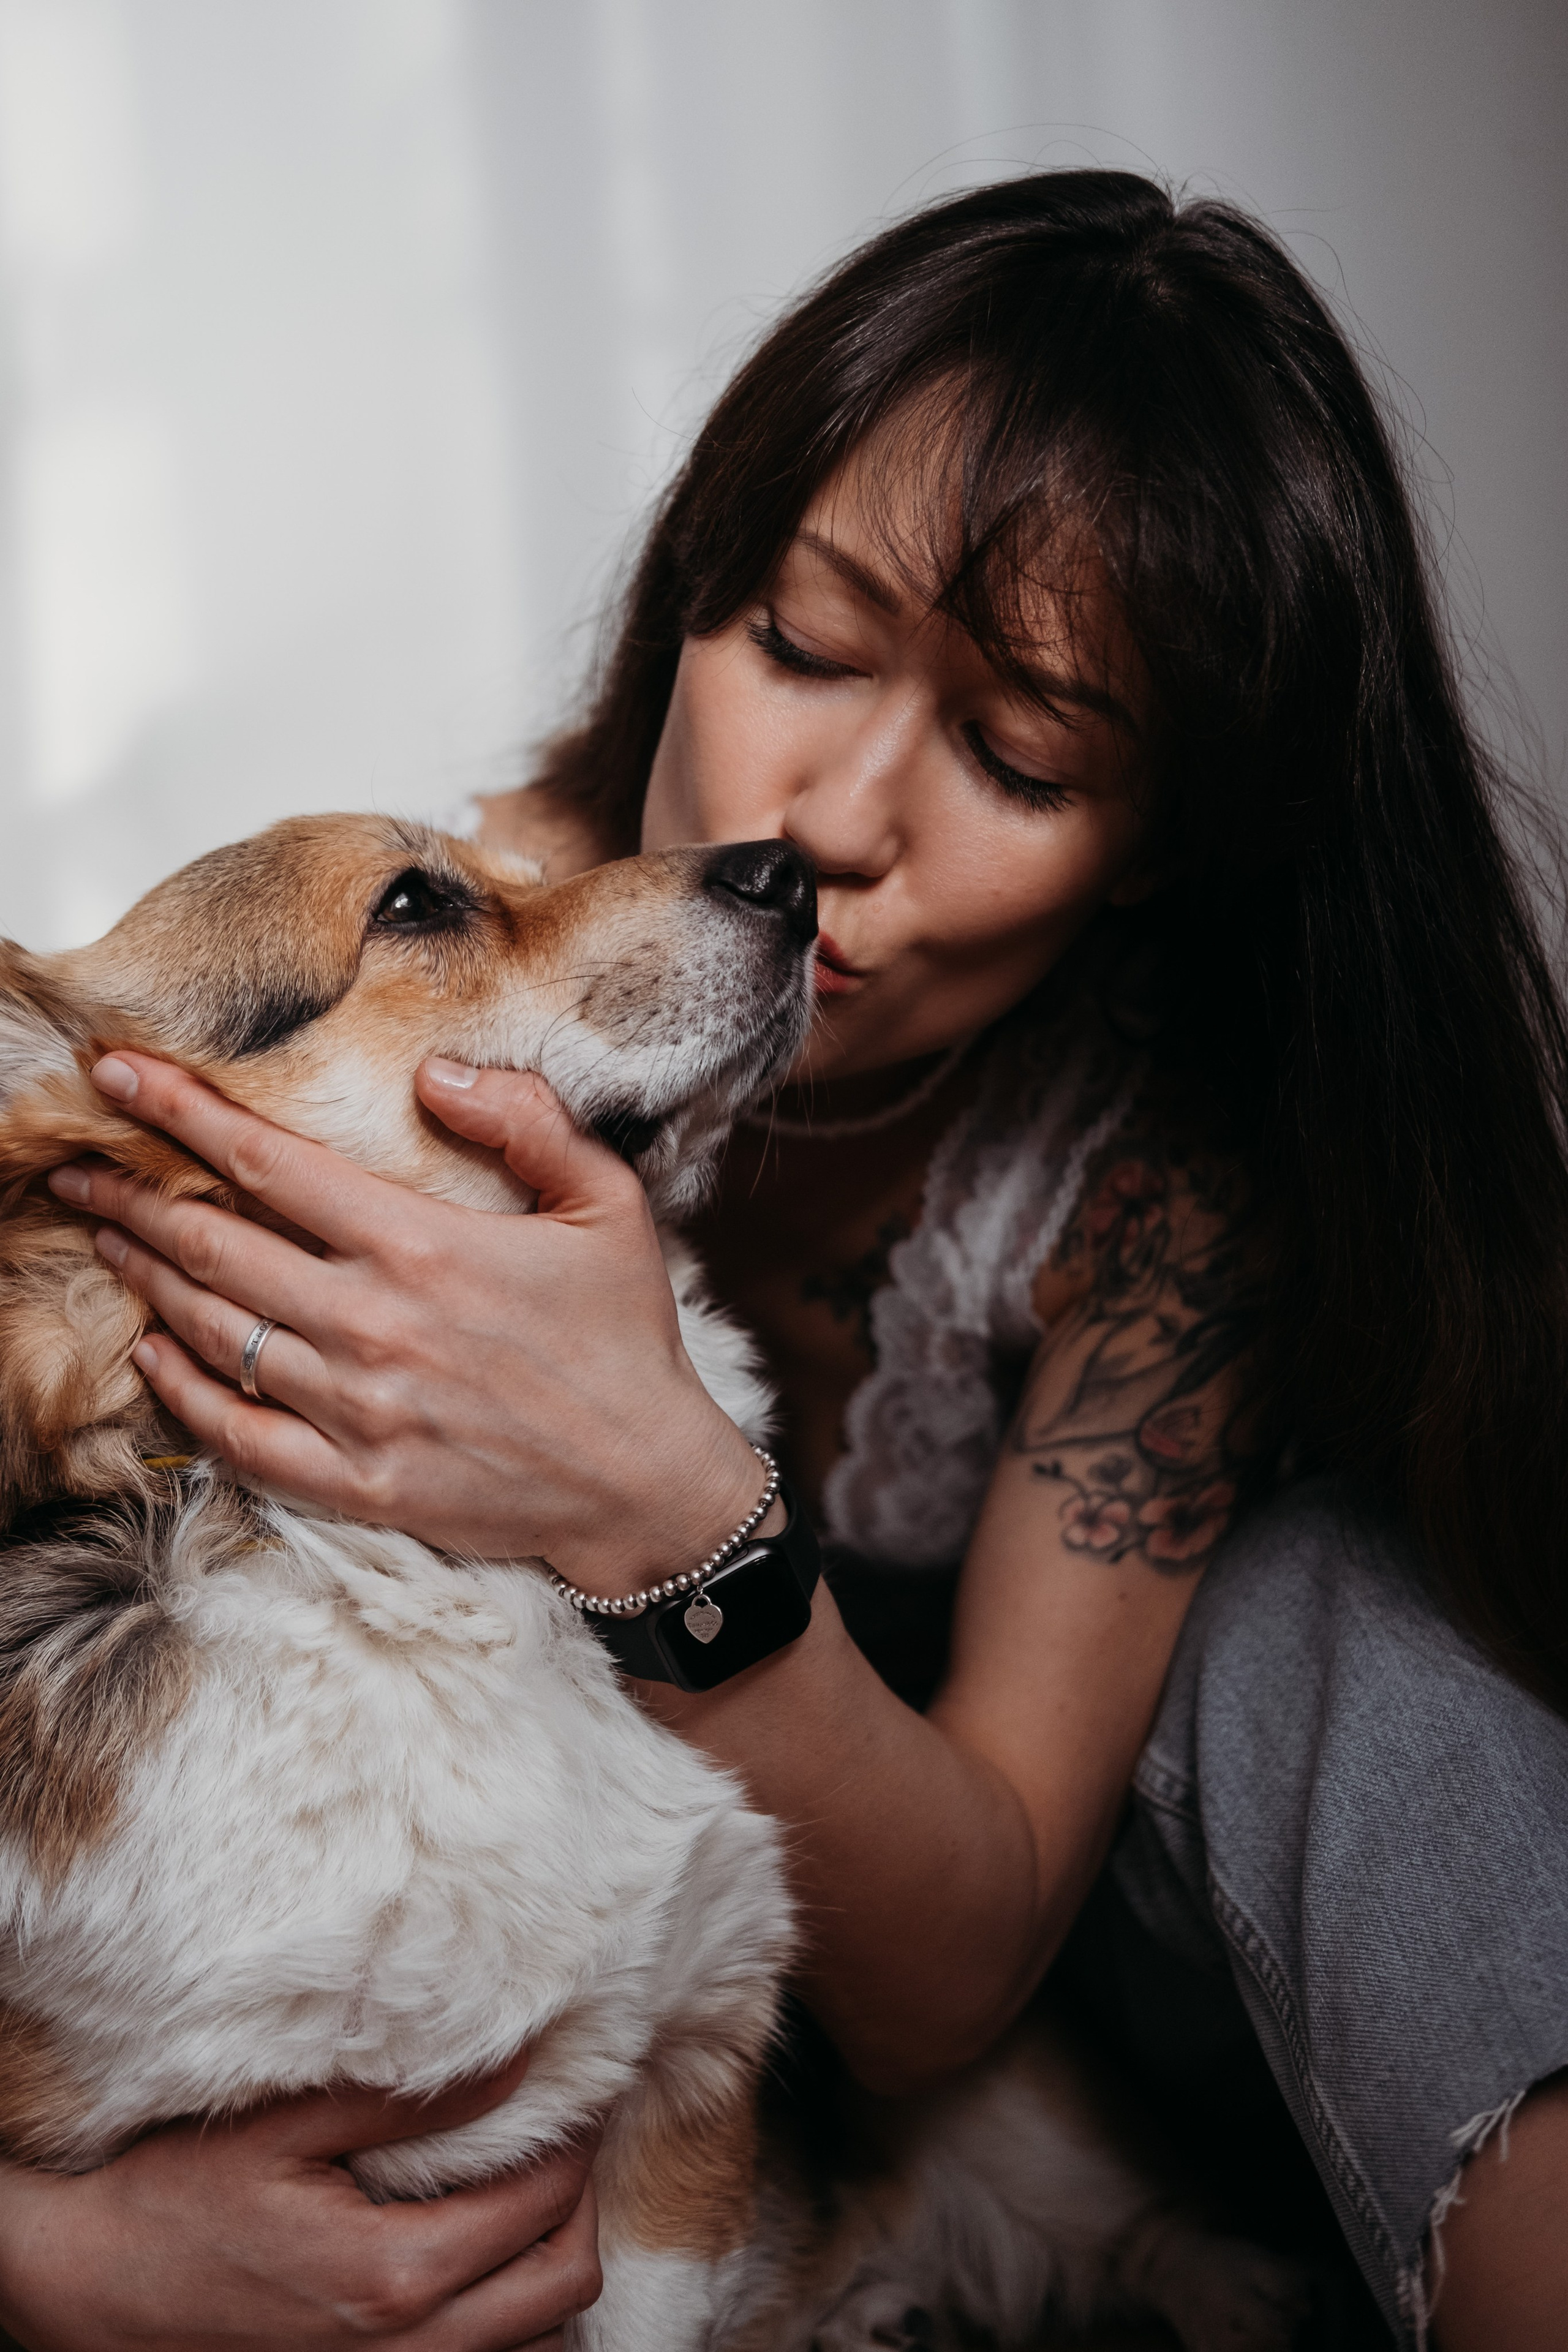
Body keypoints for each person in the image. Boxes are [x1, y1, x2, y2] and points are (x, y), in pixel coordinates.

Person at [11, 172, 1567, 2351]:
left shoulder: (1156, 1204)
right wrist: (49, 2255)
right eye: (801, 647)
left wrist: (665, 1511)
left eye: (1022, 755)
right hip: (608, 1973)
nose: (832, 818)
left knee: (1355, 1619)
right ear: (692, 594)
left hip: (1014, 1933)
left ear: (1162, 849)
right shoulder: (460, 964)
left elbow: (945, 1979)